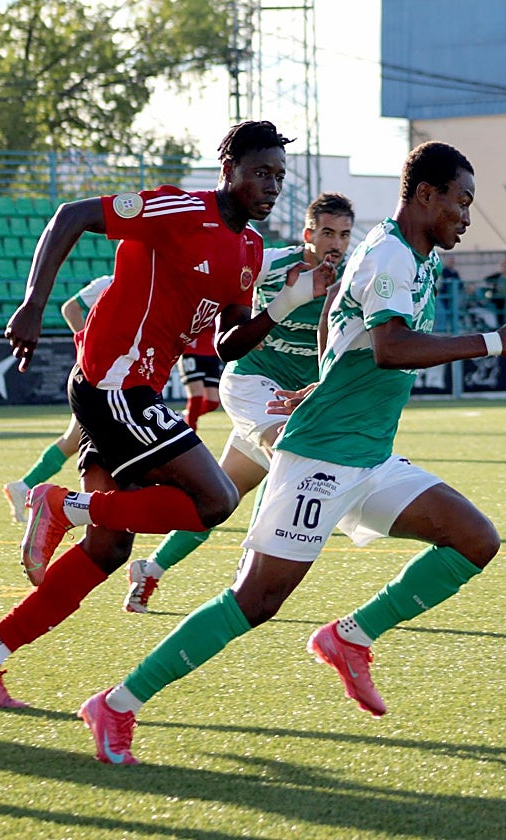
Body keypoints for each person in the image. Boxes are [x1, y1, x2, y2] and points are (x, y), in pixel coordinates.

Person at [71, 140, 506, 766]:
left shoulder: (411, 255)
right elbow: (391, 348)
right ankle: (118, 704)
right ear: (425, 195)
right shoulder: (390, 257)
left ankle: (351, 638)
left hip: (367, 455)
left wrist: (322, 377)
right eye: (461, 201)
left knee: (475, 538)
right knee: (255, 601)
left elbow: (337, 321)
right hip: (320, 458)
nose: (465, 215)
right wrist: (492, 341)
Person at [0, 120, 336, 708]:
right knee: (217, 500)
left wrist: (285, 303)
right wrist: (33, 305)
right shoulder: (179, 208)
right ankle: (60, 504)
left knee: (108, 550)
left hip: (134, 390)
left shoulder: (250, 249)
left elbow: (226, 344)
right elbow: (70, 216)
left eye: (279, 176)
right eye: (261, 172)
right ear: (228, 171)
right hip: (114, 384)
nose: (271, 185)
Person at [124, 192, 355, 613]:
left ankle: (150, 568)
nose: (335, 244)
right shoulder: (274, 264)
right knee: (289, 459)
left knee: (220, 499)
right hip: (252, 382)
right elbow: (225, 278)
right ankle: (248, 575)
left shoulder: (352, 280)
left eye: (343, 235)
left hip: (291, 402)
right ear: (307, 234)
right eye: (326, 233)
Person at [2, 274, 111, 524]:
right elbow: (70, 308)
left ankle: (24, 486)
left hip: (111, 373)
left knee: (73, 441)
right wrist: (89, 343)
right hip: (98, 372)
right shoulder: (111, 281)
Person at [176, 323, 222, 431]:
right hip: (191, 352)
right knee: (196, 397)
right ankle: (190, 437)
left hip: (212, 355)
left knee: (213, 403)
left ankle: (184, 416)